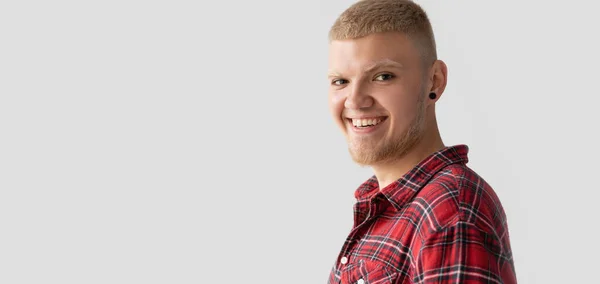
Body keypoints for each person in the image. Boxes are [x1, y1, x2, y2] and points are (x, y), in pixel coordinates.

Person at [325, 0, 517, 283]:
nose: (354, 100)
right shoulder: (388, 208)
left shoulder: (449, 211)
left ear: (435, 82)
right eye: (340, 81)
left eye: (383, 76)